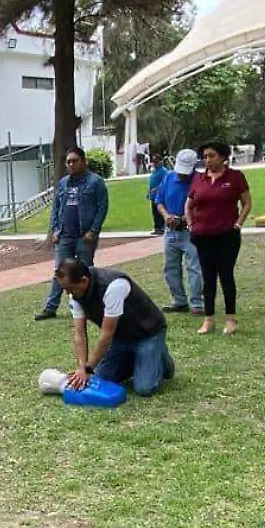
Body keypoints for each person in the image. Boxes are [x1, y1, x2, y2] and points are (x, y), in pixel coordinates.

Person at [56, 258, 173, 396]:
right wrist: (82, 366)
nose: (67, 294)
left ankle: (162, 360)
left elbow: (107, 334)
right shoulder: (75, 295)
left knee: (145, 389)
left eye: (70, 289)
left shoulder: (113, 286)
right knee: (100, 379)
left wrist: (88, 369)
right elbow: (79, 333)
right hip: (121, 337)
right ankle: (141, 359)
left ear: (83, 281)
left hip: (147, 333)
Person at [185, 142, 252, 336]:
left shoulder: (235, 177)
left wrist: (238, 223)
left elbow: (247, 203)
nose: (207, 160)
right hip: (203, 235)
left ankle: (230, 319)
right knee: (208, 278)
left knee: (226, 276)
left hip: (226, 236)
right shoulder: (199, 178)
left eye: (211, 156)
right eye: (205, 156)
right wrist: (191, 225)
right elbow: (188, 205)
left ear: (223, 157)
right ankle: (209, 319)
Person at [34, 147, 108, 321]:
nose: (71, 164)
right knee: (60, 272)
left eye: (74, 161)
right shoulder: (64, 183)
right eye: (68, 162)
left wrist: (93, 231)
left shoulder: (95, 182)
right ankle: (50, 308)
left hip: (85, 236)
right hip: (65, 235)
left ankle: (87, 307)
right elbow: (56, 207)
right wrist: (55, 230)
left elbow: (102, 207)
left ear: (84, 161)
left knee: (85, 272)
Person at [156, 148, 203, 316]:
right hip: (171, 230)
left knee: (194, 268)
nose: (182, 175)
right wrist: (167, 216)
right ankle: (179, 300)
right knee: (170, 267)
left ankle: (197, 303)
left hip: (191, 230)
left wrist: (185, 218)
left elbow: (204, 207)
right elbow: (159, 201)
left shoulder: (200, 180)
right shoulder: (169, 177)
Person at [145, 152, 173, 236]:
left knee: (159, 212)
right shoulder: (154, 171)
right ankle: (157, 227)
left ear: (161, 162)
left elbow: (165, 183)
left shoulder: (164, 171)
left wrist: (156, 189)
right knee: (154, 212)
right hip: (153, 195)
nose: (155, 163)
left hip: (160, 195)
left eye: (156, 162)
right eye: (154, 162)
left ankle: (161, 227)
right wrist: (149, 191)